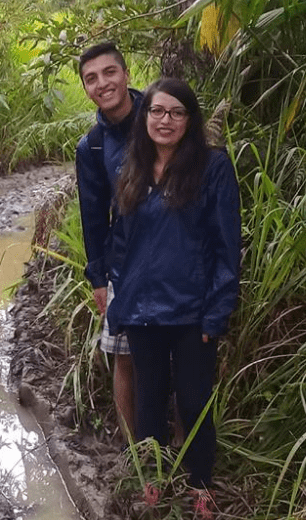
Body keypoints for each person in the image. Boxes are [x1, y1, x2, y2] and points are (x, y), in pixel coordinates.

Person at [107, 77, 240, 518]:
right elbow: (123, 245)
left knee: (194, 400)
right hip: (143, 310)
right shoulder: (134, 167)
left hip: (192, 311)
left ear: (190, 119)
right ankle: (153, 481)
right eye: (157, 111)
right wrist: (121, 303)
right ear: (144, 117)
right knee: (149, 398)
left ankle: (200, 485)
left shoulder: (212, 167)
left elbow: (226, 245)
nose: (165, 121)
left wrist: (215, 314)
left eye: (176, 113)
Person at [75, 42, 142, 440]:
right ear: (85, 88)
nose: (103, 84)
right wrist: (98, 277)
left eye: (109, 72)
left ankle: (187, 450)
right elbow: (93, 216)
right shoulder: (93, 146)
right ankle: (132, 447)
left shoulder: (161, 116)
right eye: (91, 78)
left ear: (126, 73)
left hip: (178, 260)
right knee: (124, 355)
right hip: (124, 263)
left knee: (182, 358)